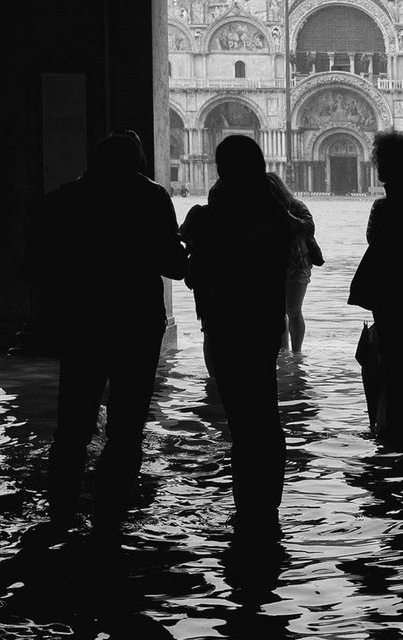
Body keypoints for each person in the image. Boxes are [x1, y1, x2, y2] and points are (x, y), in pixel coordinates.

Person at [23, 132, 188, 545]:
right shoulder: (152, 199)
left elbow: (33, 269)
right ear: (138, 163)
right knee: (127, 425)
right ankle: (111, 518)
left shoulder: (61, 201)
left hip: (81, 325)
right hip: (136, 323)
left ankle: (60, 514)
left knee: (72, 423)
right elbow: (174, 266)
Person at [181, 135, 292, 533]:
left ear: (223, 172)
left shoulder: (212, 219)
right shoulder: (280, 215)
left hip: (227, 325)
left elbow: (193, 276)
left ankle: (247, 510)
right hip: (263, 326)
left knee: (242, 424)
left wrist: (193, 237)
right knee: (266, 414)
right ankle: (269, 509)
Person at [349, 130, 403, 443]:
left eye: (381, 161)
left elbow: (375, 241)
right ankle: (401, 426)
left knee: (392, 360)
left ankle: (393, 430)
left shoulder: (383, 209)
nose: (377, 168)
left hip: (388, 292)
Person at [266, 172, 315, 353]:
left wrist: (286, 215)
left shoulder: (296, 205)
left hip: (297, 265)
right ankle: (284, 352)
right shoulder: (260, 209)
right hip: (271, 267)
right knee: (276, 312)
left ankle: (297, 352)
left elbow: (309, 227)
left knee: (294, 310)